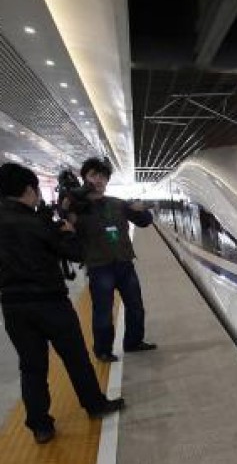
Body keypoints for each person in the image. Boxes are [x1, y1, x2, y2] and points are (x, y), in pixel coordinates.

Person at [0, 163, 125, 443]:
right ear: (30, 189)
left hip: (13, 306)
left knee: (31, 367)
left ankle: (40, 426)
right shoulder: (35, 222)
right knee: (75, 357)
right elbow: (74, 253)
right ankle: (95, 404)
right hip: (49, 301)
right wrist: (68, 230)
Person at [71, 157, 156, 362]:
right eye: (93, 175)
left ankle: (133, 342)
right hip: (100, 268)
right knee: (103, 312)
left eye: (102, 176)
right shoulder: (78, 209)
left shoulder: (118, 204)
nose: (98, 180)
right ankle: (103, 350)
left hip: (124, 263)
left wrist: (142, 211)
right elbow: (66, 223)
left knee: (135, 306)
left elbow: (144, 223)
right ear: (84, 179)